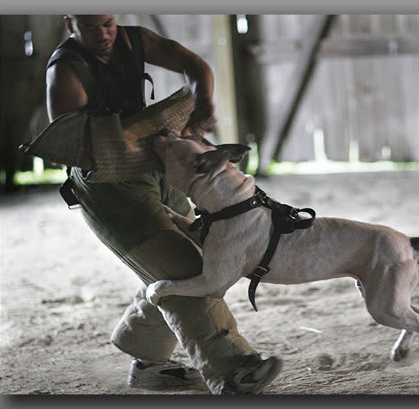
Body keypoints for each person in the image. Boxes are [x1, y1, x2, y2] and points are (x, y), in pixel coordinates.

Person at [45, 14, 281, 394]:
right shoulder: (66, 72)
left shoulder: (134, 40)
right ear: (69, 21)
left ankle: (150, 366)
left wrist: (203, 105)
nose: (104, 34)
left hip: (155, 169)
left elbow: (194, 65)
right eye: (91, 27)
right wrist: (116, 138)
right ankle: (234, 369)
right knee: (184, 270)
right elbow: (68, 146)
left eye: (108, 23)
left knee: (200, 256)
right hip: (108, 188)